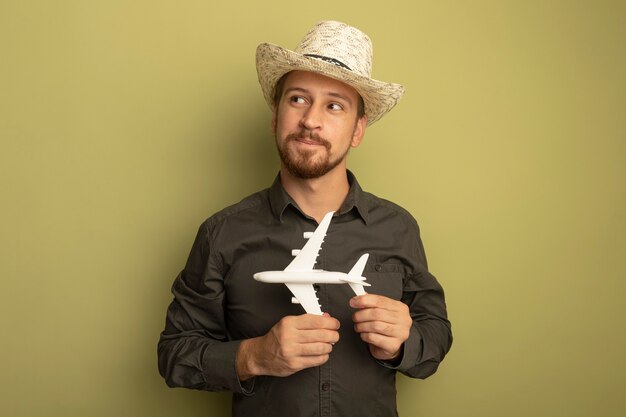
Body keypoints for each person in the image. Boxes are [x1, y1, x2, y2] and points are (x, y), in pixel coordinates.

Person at [158, 20, 452, 417]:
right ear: (275, 115)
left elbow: (436, 335)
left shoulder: (398, 228)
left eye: (334, 105)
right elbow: (174, 353)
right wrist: (254, 356)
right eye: (298, 99)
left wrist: (404, 342)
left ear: (357, 130)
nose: (311, 120)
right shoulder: (222, 233)